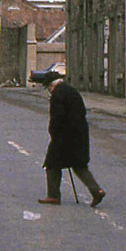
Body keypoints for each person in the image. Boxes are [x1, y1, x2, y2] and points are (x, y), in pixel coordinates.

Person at [37, 71, 106, 207]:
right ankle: (96, 190)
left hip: (63, 136)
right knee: (79, 165)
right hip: (80, 134)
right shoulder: (72, 91)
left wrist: (54, 133)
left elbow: (57, 117)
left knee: (51, 164)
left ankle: (53, 196)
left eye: (48, 88)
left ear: (52, 85)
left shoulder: (57, 95)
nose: (49, 91)